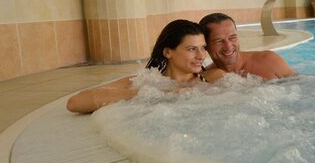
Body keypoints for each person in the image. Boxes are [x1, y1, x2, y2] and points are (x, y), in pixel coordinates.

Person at [66, 19, 223, 114]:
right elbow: (75, 103)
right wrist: (152, 93)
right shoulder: (144, 83)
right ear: (168, 52)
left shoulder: (213, 78)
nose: (201, 55)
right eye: (191, 49)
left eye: (203, 48)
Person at [199, 12, 296, 80]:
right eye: (219, 41)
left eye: (232, 38)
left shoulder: (269, 60)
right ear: (205, 46)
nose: (228, 46)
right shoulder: (207, 78)